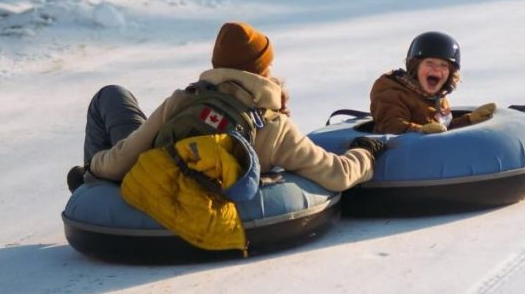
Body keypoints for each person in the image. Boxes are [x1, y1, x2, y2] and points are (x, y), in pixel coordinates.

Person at [68, 21, 384, 193]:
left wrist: (94, 167)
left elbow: (124, 157)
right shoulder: (272, 127)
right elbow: (337, 175)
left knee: (111, 96)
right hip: (213, 196)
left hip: (155, 185)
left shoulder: (185, 100)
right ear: (261, 71)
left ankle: (90, 191)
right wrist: (364, 153)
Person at [369, 31, 496, 134]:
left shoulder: (437, 99)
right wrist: (421, 131)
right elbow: (391, 126)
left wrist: (469, 120)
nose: (436, 69)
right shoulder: (393, 93)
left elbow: (443, 128)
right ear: (415, 67)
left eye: (443, 65)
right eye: (429, 63)